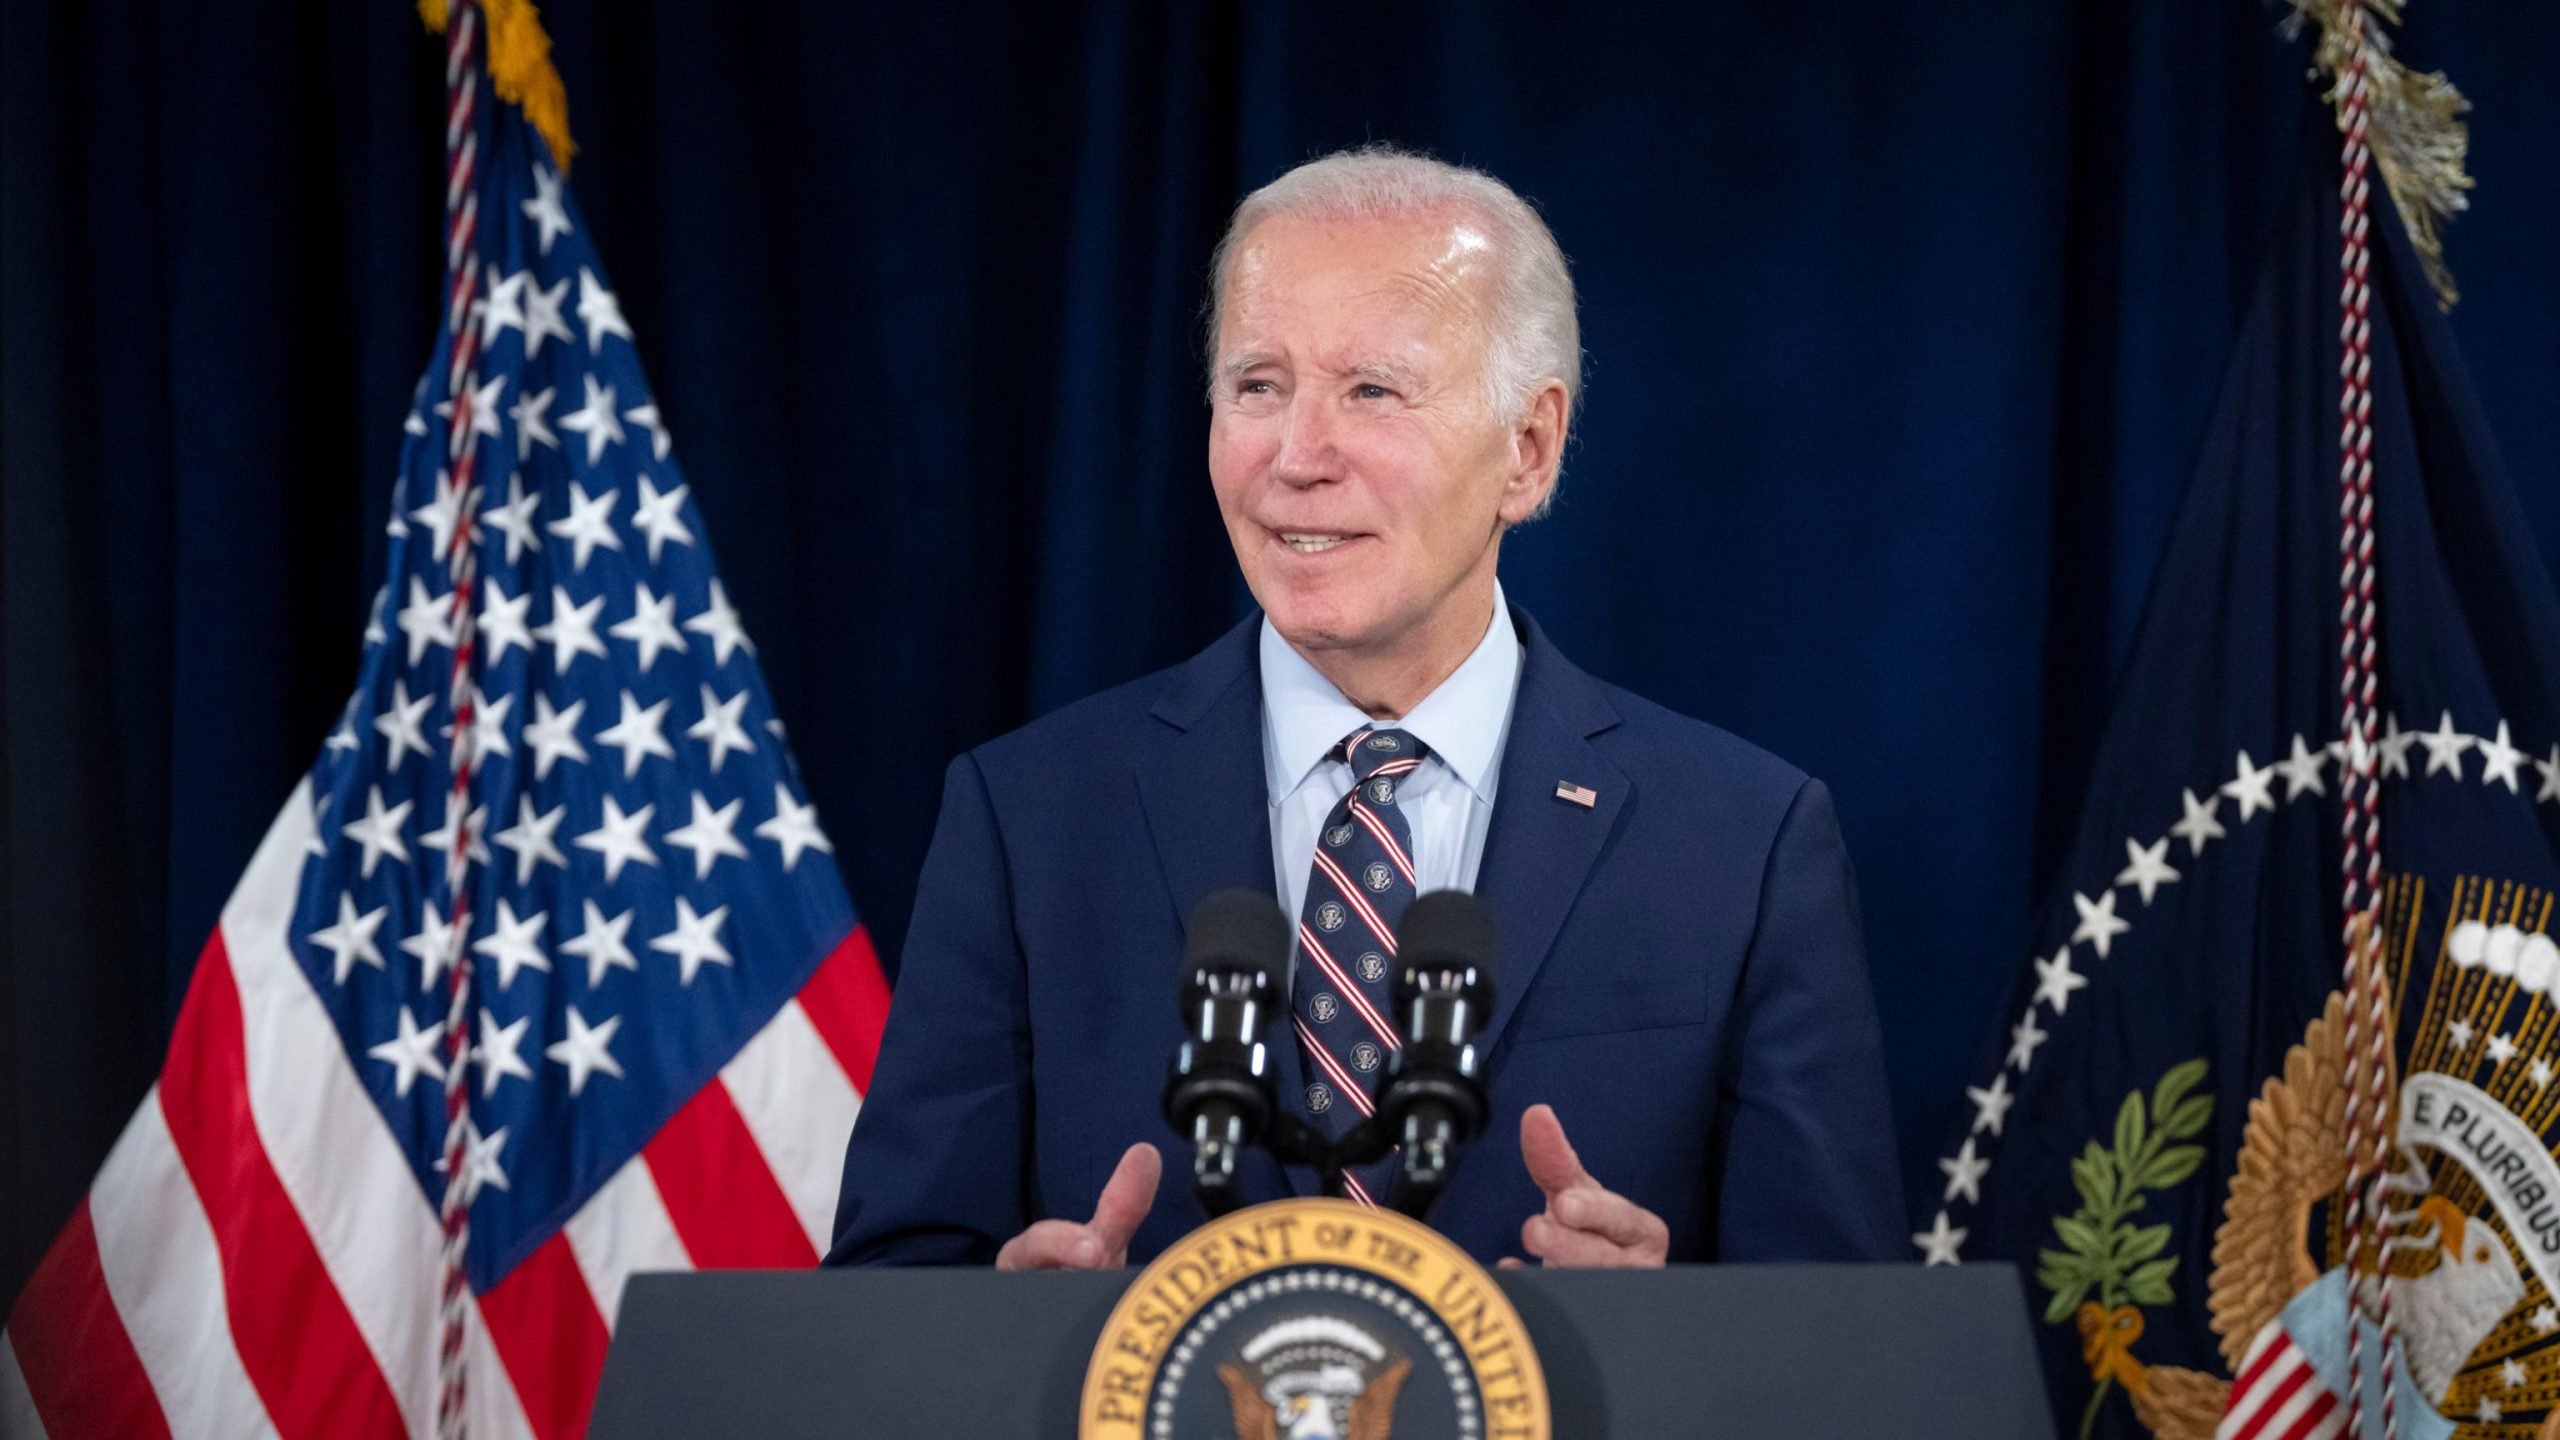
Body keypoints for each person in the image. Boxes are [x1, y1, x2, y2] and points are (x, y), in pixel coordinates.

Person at [827, 146, 1901, 1272]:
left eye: (1371, 391)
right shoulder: (1026, 818)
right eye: (1257, 385)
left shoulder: (1743, 844)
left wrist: (1665, 1350)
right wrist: (1015, 1343)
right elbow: (889, 1300)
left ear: (1526, 452)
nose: (1295, 456)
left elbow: (1839, 1350)